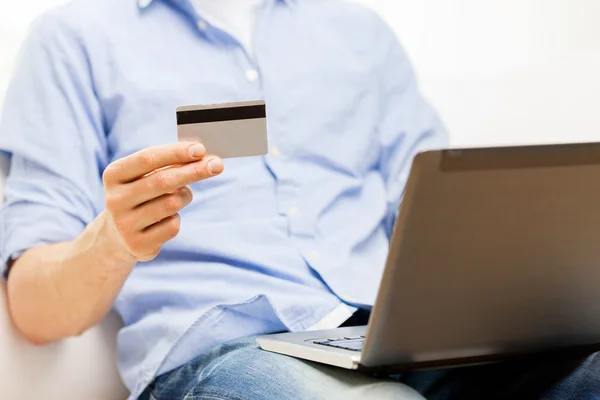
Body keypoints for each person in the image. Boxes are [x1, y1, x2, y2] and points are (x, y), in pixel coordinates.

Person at [0, 0, 599, 399]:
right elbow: (32, 311)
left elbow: (439, 214)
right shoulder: (74, 38)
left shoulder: (358, 33)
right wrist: (114, 239)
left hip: (399, 340)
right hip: (233, 357)